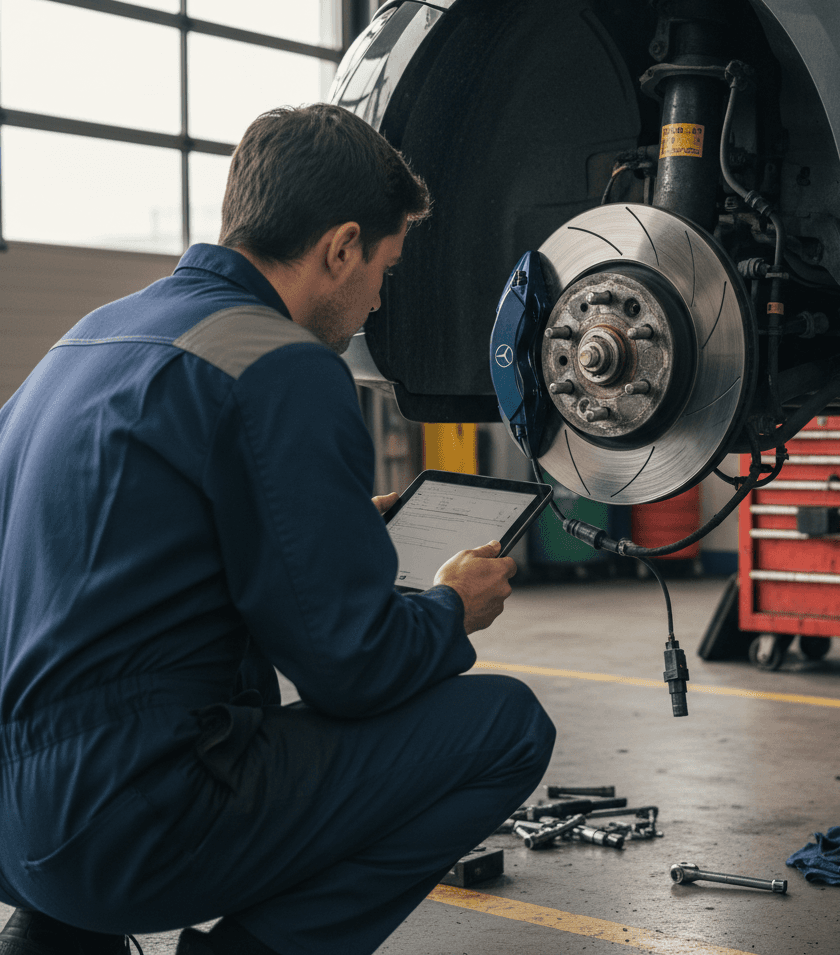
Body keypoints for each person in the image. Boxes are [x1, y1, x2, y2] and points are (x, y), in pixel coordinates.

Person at [0, 104, 555, 955]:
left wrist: (324, 527)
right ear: (340, 248)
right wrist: (449, 607)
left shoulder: (90, 340)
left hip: (15, 822)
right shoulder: (278, 362)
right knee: (506, 725)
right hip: (128, 825)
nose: (378, 301)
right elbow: (353, 668)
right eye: (385, 268)